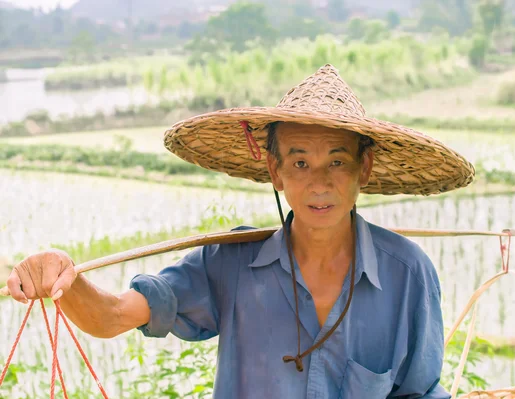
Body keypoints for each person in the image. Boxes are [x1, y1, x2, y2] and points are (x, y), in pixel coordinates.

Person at [6, 64, 474, 398]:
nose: (319, 183)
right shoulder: (229, 264)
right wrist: (64, 277)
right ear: (275, 170)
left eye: (337, 160)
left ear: (364, 168)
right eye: (299, 162)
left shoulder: (406, 272)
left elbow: (419, 391)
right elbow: (111, 316)